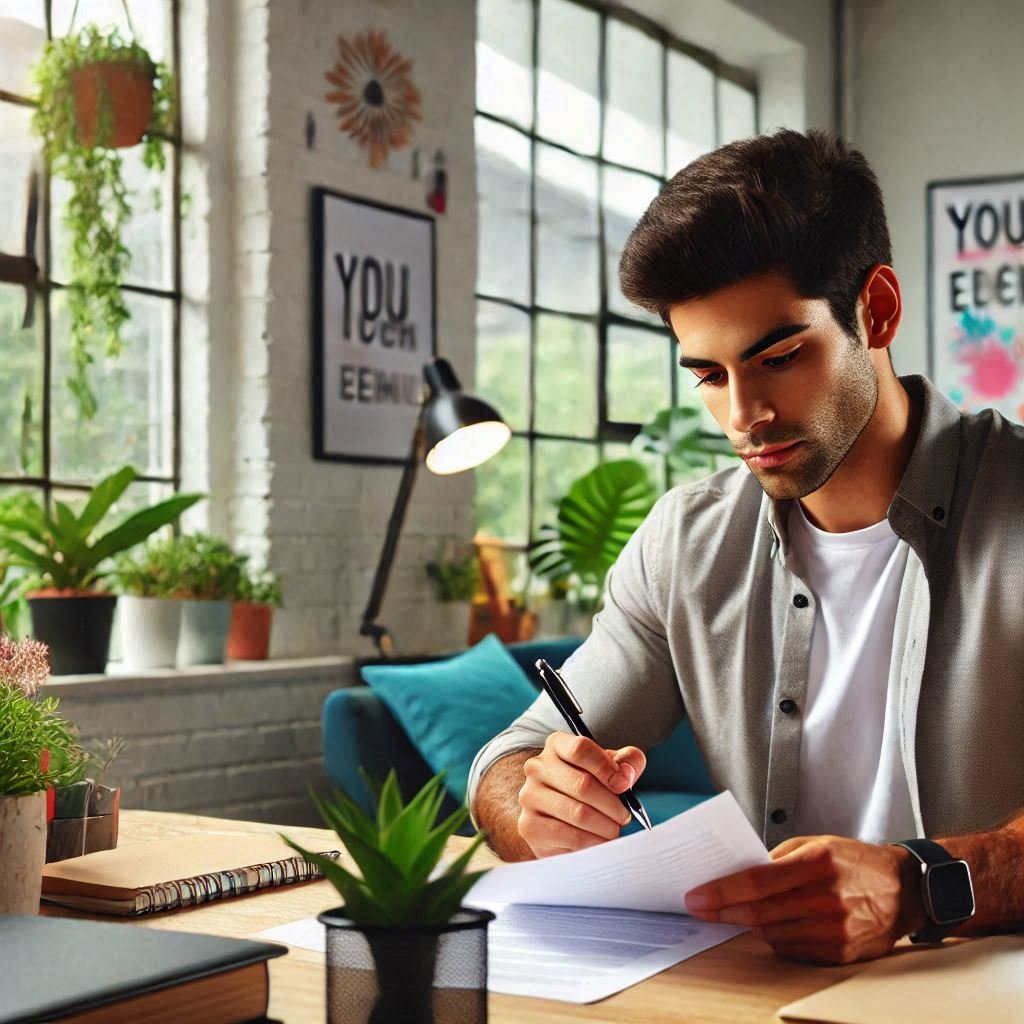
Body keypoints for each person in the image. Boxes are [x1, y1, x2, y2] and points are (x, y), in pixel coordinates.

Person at [468, 129, 1024, 965]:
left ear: (877, 309)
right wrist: (533, 805)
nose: (742, 415)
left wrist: (919, 886)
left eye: (780, 357)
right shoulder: (686, 545)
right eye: (709, 375)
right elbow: (505, 759)